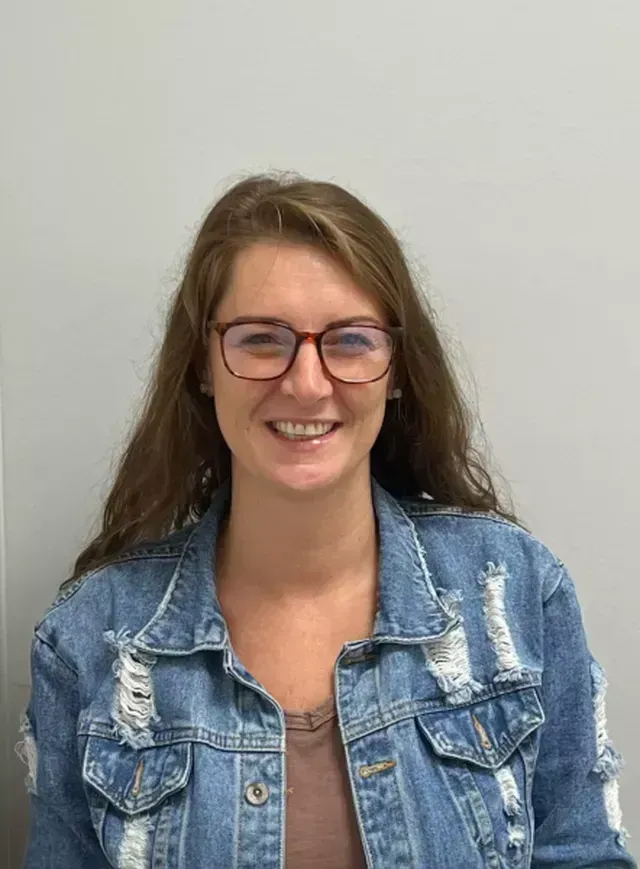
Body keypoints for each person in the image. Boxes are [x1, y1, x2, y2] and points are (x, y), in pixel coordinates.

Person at [18, 173, 635, 869]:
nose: (307, 382)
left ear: (397, 368)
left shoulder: (516, 591)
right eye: (260, 339)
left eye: (349, 340)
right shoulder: (91, 639)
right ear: (202, 364)